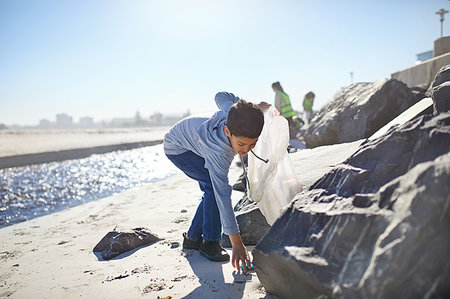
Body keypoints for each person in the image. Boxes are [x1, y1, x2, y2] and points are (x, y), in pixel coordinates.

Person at [163, 91, 268, 273]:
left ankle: (193, 238)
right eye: (241, 144)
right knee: (213, 188)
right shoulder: (218, 152)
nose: (246, 150)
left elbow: (220, 96)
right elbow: (223, 196)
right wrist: (237, 243)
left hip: (195, 140)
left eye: (252, 144)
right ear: (228, 131)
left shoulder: (231, 112)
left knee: (211, 188)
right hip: (178, 148)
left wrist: (251, 108)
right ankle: (210, 243)